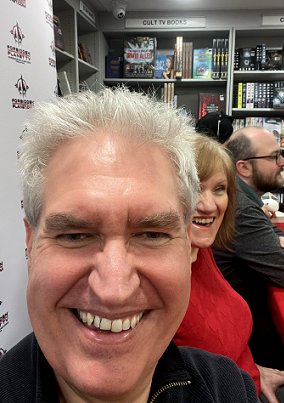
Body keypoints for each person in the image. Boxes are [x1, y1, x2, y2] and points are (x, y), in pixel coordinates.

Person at [0, 88, 259, 403]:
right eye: (74, 235)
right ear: (30, 243)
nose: (114, 290)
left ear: (188, 244)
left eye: (151, 234)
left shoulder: (228, 389)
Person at [174, 134, 284, 403]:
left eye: (219, 189)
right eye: (194, 188)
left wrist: (252, 370)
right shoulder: (162, 277)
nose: (208, 205)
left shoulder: (202, 251)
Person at [212, 126, 284, 373]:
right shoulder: (242, 208)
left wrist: (280, 237)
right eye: (274, 156)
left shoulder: (244, 198)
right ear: (244, 167)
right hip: (244, 339)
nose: (283, 162)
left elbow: (270, 229)